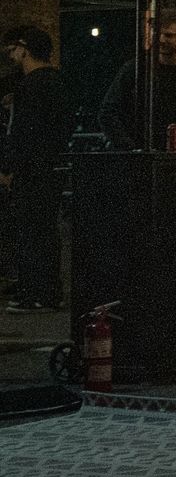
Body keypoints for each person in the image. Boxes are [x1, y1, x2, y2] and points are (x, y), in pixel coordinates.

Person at [3, 26, 74, 314]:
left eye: (13, 50)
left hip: (30, 171)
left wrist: (9, 169)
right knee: (45, 231)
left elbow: (22, 134)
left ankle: (36, 293)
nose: (11, 56)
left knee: (30, 233)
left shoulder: (29, 86)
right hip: (50, 168)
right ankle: (46, 292)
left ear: (24, 49)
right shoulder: (56, 83)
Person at [96, 7, 176, 148]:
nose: (161, 40)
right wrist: (129, 147)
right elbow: (108, 113)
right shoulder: (136, 69)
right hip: (149, 152)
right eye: (157, 34)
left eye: (169, 35)